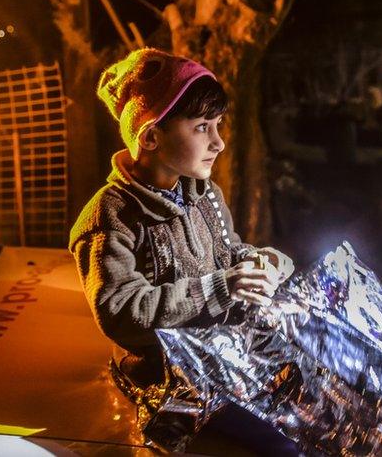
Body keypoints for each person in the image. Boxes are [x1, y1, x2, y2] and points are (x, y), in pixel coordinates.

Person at [68, 48, 297, 452]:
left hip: (221, 361)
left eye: (218, 125)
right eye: (202, 127)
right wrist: (221, 289)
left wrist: (260, 262)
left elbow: (227, 254)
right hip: (169, 388)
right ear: (152, 136)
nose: (220, 142)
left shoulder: (203, 193)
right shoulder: (110, 215)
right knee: (283, 445)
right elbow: (120, 311)